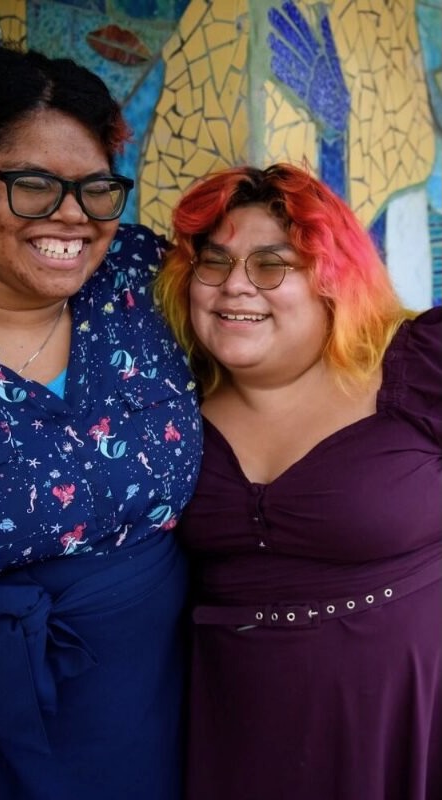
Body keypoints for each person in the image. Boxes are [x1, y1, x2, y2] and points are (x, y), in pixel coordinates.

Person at [0, 45, 202, 800]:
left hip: (143, 695)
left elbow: (281, 348)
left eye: (95, 188)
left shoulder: (143, 278)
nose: (72, 215)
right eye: (32, 185)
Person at [154, 164, 442, 800]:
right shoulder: (164, 402)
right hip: (238, 730)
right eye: (214, 262)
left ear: (331, 279)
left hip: (406, 718)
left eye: (271, 265)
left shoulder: (419, 366)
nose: (235, 286)